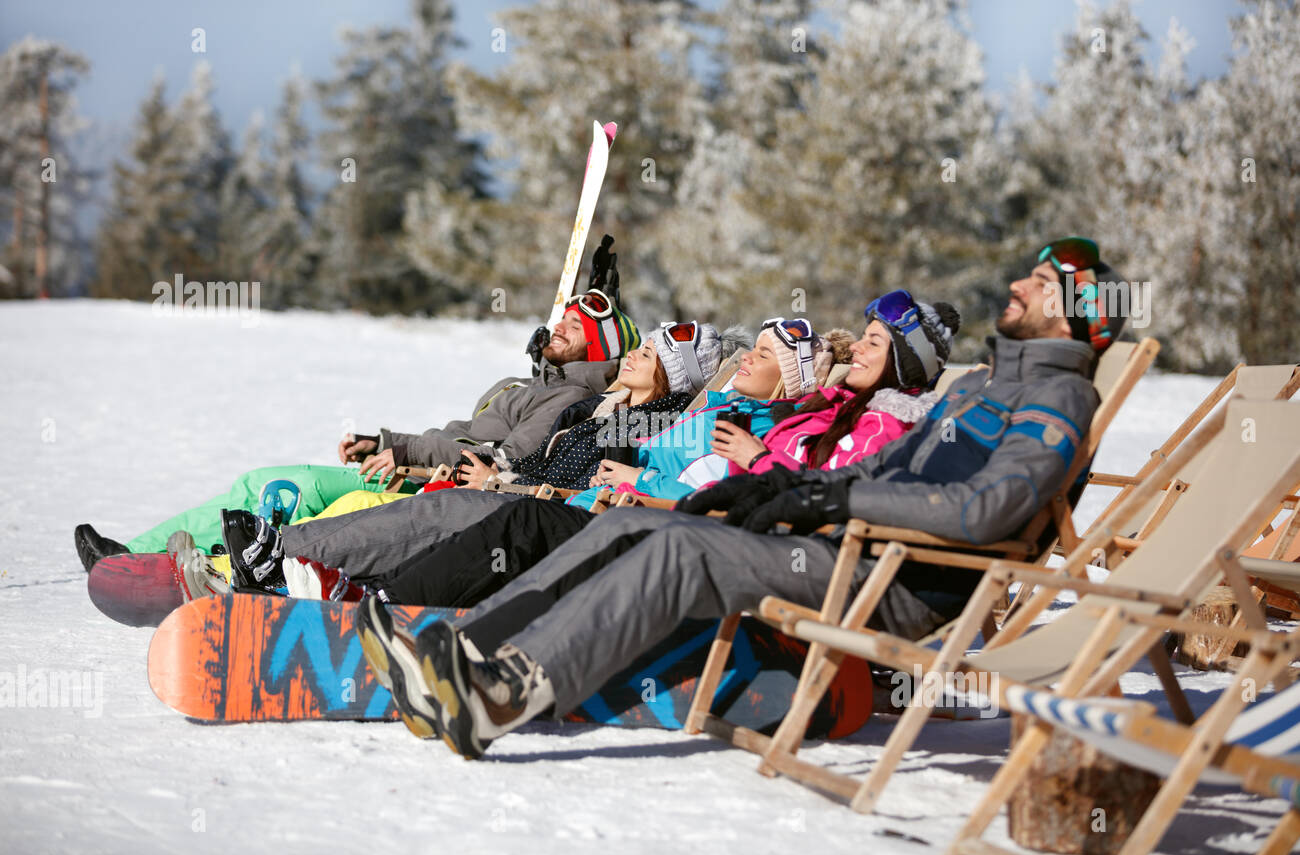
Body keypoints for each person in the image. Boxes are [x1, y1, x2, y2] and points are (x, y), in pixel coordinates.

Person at [358, 238, 1130, 759]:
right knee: (635, 522)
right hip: (852, 547)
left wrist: (839, 501)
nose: (1016, 286)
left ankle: (498, 697)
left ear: (1075, 306)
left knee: (680, 546)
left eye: (1036, 284)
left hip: (896, 578)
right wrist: (792, 483)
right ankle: (468, 656)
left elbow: (981, 514)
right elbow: (897, 469)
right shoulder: (990, 387)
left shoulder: (1058, 402)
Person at [72, 239, 636, 570]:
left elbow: (495, 460)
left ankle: (208, 569)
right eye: (560, 318)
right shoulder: (524, 383)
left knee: (288, 499)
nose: (557, 325)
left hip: (437, 492)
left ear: (603, 344)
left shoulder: (572, 399)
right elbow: (464, 434)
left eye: (575, 324)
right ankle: (136, 558)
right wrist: (386, 444)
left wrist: (404, 458)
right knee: (263, 483)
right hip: (418, 471)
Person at [369, 299, 957, 610]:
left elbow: (757, 491)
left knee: (513, 522)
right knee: (490, 517)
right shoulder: (655, 414)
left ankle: (386, 603)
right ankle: (379, 594)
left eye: (647, 355)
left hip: (675, 528)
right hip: (631, 506)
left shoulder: (691, 421)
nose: (633, 359)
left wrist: (646, 484)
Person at [211, 322, 740, 591]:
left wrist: (502, 480)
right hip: (520, 492)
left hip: (551, 512)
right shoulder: (600, 410)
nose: (631, 357)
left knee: (434, 513)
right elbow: (534, 462)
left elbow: (608, 480)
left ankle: (282, 560)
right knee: (412, 512)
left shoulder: (657, 420)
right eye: (637, 347)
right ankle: (281, 557)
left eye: (648, 355)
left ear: (673, 375)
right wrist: (500, 475)